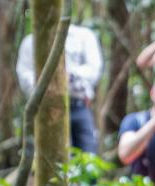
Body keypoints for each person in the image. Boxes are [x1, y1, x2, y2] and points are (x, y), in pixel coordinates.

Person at [15, 24, 103, 153]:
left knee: (88, 156)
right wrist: (49, 84)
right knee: (46, 155)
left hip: (78, 107)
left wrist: (69, 76)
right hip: (44, 109)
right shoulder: (30, 41)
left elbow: (94, 69)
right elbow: (24, 75)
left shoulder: (84, 36)